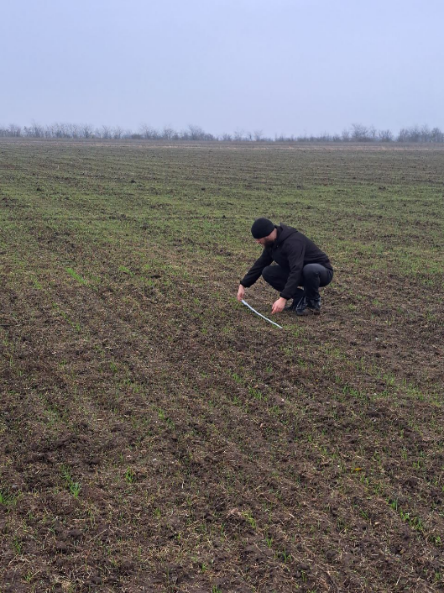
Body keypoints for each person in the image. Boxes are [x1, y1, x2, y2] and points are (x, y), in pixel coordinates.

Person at [237, 218, 333, 316]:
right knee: (267, 272)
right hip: (301, 271)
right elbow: (260, 264)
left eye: (258, 239)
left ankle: (313, 305)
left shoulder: (293, 242)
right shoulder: (272, 244)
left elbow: (296, 269)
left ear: (267, 235)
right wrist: (243, 284)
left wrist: (283, 298)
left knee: (309, 269)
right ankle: (299, 297)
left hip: (321, 272)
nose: (257, 242)